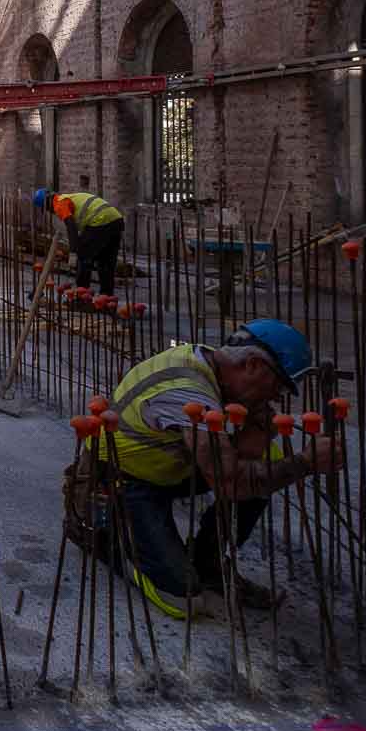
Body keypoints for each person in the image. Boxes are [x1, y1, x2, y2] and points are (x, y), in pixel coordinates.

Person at [99, 318, 340, 619]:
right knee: (183, 601)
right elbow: (231, 484)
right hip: (125, 479)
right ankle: (112, 539)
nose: (277, 397)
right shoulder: (188, 392)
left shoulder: (211, 366)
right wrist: (304, 463)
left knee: (268, 457)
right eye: (278, 385)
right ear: (252, 365)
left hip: (169, 468)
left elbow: (244, 462)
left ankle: (207, 561)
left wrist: (256, 436)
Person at [35, 187, 124, 295]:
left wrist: (73, 252)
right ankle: (106, 300)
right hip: (116, 221)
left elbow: (71, 227)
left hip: (100, 221)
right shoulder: (68, 198)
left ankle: (81, 295)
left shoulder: (58, 203)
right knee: (105, 261)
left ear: (46, 205)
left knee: (83, 256)